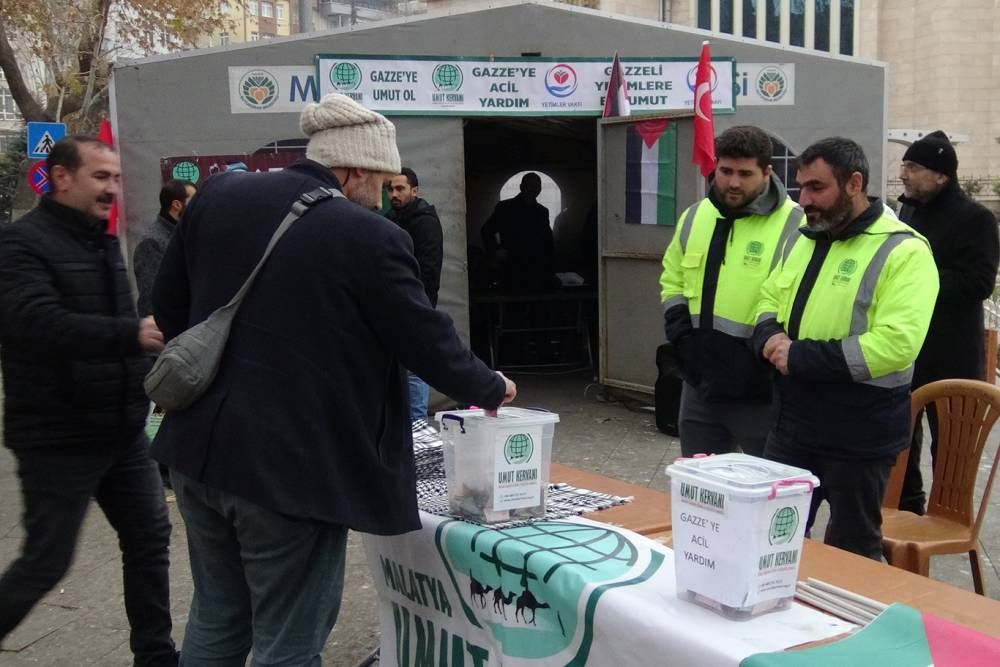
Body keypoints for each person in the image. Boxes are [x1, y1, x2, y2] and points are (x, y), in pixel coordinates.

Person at [150, 93, 516, 665]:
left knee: (217, 617)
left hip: (197, 453)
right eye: (379, 183)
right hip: (291, 474)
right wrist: (490, 387)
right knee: (288, 642)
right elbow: (425, 341)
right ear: (355, 170)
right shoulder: (367, 236)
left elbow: (169, 310)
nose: (381, 200)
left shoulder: (220, 194)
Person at [0, 136, 177, 665]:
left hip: (120, 431)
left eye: (117, 177)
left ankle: (156, 655)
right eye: (101, 177)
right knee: (46, 560)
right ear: (61, 177)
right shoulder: (19, 245)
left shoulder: (99, 241)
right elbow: (34, 322)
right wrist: (131, 335)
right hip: (58, 436)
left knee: (150, 539)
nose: (112, 188)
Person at [753, 137, 938, 560]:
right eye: (800, 187)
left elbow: (897, 344)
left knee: (853, 553)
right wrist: (768, 337)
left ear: (854, 183)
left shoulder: (904, 249)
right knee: (769, 541)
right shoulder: (807, 238)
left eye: (817, 188)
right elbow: (768, 295)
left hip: (860, 433)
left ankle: (856, 626)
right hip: (793, 424)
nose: (804, 200)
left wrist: (798, 355)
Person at [659, 125, 803, 457]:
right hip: (700, 382)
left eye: (745, 173)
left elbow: (798, 299)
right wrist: (680, 333)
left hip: (759, 389)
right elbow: (672, 277)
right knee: (700, 492)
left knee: (764, 491)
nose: (733, 182)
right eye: (725, 171)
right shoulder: (695, 216)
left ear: (767, 172)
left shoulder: (796, 224)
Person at [896, 131, 999, 515]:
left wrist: (917, 279)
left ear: (942, 175)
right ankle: (906, 512)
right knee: (902, 442)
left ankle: (947, 519)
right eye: (904, 165)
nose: (904, 174)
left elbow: (979, 283)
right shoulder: (908, 211)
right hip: (909, 347)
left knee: (952, 449)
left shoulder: (976, 218)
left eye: (913, 167)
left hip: (953, 353)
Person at [385, 166, 443, 422]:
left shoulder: (425, 222)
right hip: (394, 304)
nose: (394, 194)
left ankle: (417, 427)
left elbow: (428, 269)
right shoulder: (392, 217)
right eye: (390, 189)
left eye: (400, 188)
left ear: (415, 190)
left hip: (417, 304)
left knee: (414, 369)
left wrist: (418, 304)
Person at [134, 179, 197, 317]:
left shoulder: (183, 235)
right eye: (194, 201)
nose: (198, 206)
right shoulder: (152, 242)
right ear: (176, 205)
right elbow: (151, 298)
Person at [481, 172, 554, 289]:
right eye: (530, 185)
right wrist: (496, 251)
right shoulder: (541, 211)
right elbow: (486, 231)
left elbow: (548, 241)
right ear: (521, 187)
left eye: (536, 185)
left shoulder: (506, 207)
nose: (533, 189)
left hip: (530, 268)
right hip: (514, 267)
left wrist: (496, 251)